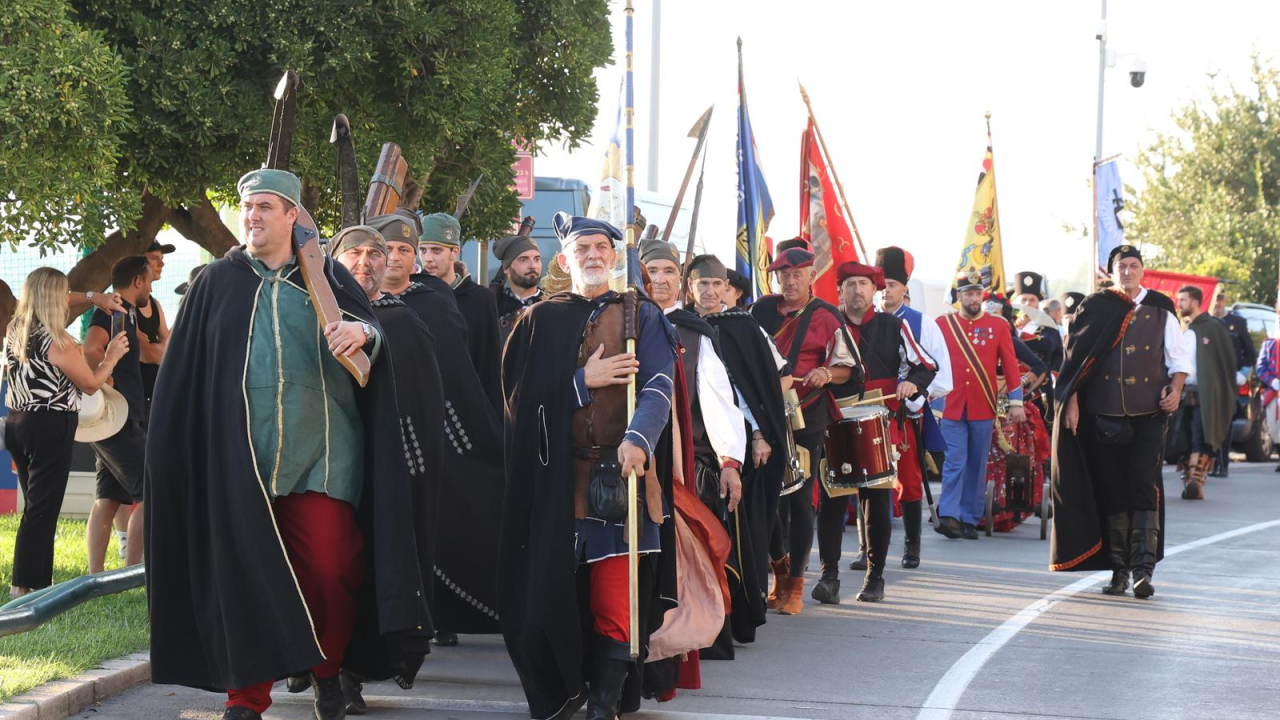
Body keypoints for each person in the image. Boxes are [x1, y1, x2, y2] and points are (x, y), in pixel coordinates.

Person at [145, 169, 430, 720]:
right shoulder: (215, 283)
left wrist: (366, 334)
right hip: (240, 464)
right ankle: (246, 699)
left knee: (330, 567)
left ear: (293, 215)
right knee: (242, 577)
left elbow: (373, 332)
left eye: (265, 207)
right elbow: (184, 376)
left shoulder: (326, 281)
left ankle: (326, 669)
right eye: (247, 206)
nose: (252, 216)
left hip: (322, 456)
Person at [500, 212, 678, 720]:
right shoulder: (538, 320)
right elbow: (517, 402)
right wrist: (584, 380)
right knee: (547, 599)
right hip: (555, 481)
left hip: (619, 478)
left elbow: (659, 386)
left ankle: (603, 706)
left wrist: (639, 440)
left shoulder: (640, 315)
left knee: (615, 601)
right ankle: (563, 692)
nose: (594, 256)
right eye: (583, 249)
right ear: (565, 260)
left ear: (616, 255)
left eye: (602, 247)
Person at [368, 210, 506, 649]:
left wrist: (480, 428)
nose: (398, 257)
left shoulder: (436, 301)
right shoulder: (348, 301)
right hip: (372, 434)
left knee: (433, 524)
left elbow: (464, 370)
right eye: (388, 249)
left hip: (435, 431)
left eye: (409, 250)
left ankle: (429, 616)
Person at [333, 224, 446, 714]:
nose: (365, 261)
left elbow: (425, 405)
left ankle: (346, 672)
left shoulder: (402, 322)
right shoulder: (311, 312)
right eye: (353, 252)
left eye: (375, 253)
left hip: (382, 475)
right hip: (321, 467)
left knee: (367, 567)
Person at [1052, 245, 1192, 600]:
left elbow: (1178, 359)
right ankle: (1119, 572)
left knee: (1143, 488)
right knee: (1113, 492)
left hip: (1149, 416)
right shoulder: (1096, 306)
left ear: (1143, 270)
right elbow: (1074, 363)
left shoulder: (1161, 308)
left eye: (1133, 265)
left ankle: (1144, 570)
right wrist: (1071, 404)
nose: (1128, 271)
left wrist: (1175, 391)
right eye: (1121, 266)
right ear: (1111, 272)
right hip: (1103, 416)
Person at [641, 241, 750, 655]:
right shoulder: (624, 320)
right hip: (632, 460)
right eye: (653, 271)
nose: (661, 280)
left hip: (687, 463)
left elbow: (719, 401)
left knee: (697, 553)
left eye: (669, 271)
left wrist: (729, 461)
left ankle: (699, 636)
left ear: (679, 280)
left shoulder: (693, 332)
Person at [3, 269, 128, 597]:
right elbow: (89, 385)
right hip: (50, 426)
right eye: (64, 292)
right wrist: (111, 358)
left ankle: (39, 582)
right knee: (43, 508)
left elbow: (64, 296)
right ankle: (23, 586)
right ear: (52, 297)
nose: (67, 298)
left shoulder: (17, 330)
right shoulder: (58, 341)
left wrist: (92, 297)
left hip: (17, 422)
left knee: (35, 505)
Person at [750, 244, 859, 613]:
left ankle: (795, 584)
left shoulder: (827, 316)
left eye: (797, 275)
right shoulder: (762, 310)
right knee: (766, 499)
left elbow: (847, 366)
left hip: (807, 416)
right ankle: (778, 570)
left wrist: (826, 372)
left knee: (799, 499)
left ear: (812, 276)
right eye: (783, 275)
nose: (790, 281)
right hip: (765, 417)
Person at [688, 254, 791, 634]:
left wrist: (762, 434)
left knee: (741, 525)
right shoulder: (680, 324)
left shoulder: (745, 329)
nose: (711, 291)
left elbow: (762, 388)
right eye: (703, 284)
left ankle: (738, 610)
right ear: (691, 287)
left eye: (717, 284)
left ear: (727, 289)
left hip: (744, 443)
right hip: (697, 441)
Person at [834, 262, 936, 602]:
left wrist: (910, 383)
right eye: (850, 284)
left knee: (877, 501)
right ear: (841, 290)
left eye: (863, 284)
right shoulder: (829, 324)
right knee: (831, 503)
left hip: (880, 422)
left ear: (874, 290)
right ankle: (828, 576)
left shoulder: (894, 326)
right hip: (835, 421)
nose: (857, 291)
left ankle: (875, 577)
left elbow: (926, 365)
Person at [934, 269, 1026, 541]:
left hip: (983, 405)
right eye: (968, 293)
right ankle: (949, 515)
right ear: (959, 296)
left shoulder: (998, 326)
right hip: (951, 405)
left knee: (976, 463)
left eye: (977, 293)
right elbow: (933, 362)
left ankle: (969, 518)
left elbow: (1010, 366)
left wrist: (1016, 402)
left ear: (982, 295)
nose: (973, 298)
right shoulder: (943, 324)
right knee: (954, 461)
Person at [875, 246, 951, 568]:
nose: (885, 291)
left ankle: (911, 546)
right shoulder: (867, 322)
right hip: (870, 413)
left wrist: (915, 399)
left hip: (907, 414)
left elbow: (942, 376)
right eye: (881, 285)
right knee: (871, 482)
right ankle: (871, 550)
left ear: (905, 287)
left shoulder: (924, 324)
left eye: (891, 284)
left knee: (908, 478)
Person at [83, 256, 153, 572]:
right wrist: (106, 377)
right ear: (137, 281)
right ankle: (133, 571)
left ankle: (95, 576)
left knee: (109, 498)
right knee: (151, 490)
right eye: (149, 280)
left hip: (119, 418)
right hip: (117, 418)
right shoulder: (114, 311)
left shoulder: (128, 312)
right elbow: (90, 349)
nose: (151, 286)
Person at [418, 212, 502, 416]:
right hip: (423, 407)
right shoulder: (412, 296)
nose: (428, 258)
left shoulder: (480, 299)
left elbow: (490, 365)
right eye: (423, 250)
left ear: (454, 252)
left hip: (469, 410)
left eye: (436, 250)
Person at [1173, 286, 1235, 499]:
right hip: (1182, 394)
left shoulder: (1214, 329)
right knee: (1182, 438)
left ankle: (1195, 481)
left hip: (1205, 396)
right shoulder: (1184, 329)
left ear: (1195, 302)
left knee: (1202, 436)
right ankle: (1191, 483)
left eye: (1183, 300)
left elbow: (1225, 365)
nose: (1179, 304)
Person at [1209, 291, 1257, 476]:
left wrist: (1243, 373)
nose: (1217, 305)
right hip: (1209, 380)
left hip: (1230, 380)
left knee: (1225, 423)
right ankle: (1210, 463)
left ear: (1223, 301)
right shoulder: (1205, 323)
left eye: (1219, 300)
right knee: (1208, 422)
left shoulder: (1237, 322)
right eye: (1214, 301)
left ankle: (1223, 464)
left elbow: (1250, 353)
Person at [491, 218, 543, 346]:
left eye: (536, 259)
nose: (533, 265)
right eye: (523, 260)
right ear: (506, 269)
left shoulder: (553, 303)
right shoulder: (494, 304)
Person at [1256, 304, 1280, 473]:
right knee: (1274, 426)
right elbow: (1261, 367)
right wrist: (1272, 382)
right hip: (1274, 391)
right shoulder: (1269, 344)